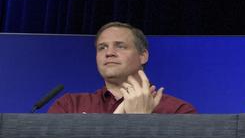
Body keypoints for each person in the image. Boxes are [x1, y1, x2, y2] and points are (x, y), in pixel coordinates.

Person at [48, 22, 196, 114]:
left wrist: (141, 123)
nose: (109, 53)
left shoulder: (178, 111)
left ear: (143, 56)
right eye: (102, 48)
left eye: (120, 46)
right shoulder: (69, 106)